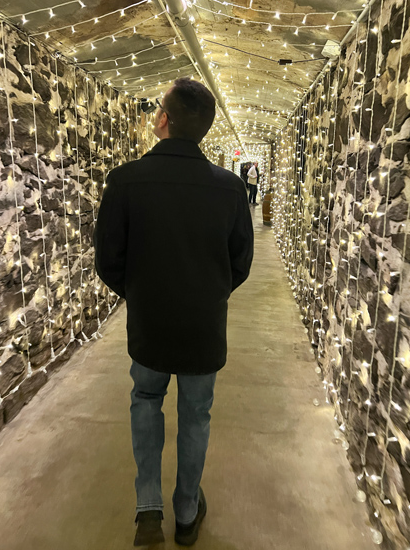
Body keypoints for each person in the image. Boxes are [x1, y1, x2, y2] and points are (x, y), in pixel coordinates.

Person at [94, 77, 254, 547]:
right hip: (204, 328)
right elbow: (240, 262)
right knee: (196, 414)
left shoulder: (125, 180)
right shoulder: (228, 189)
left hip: (149, 323)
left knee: (145, 399)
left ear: (163, 119)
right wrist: (210, 292)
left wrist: (141, 292)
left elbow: (108, 260)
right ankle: (186, 512)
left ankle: (148, 508)